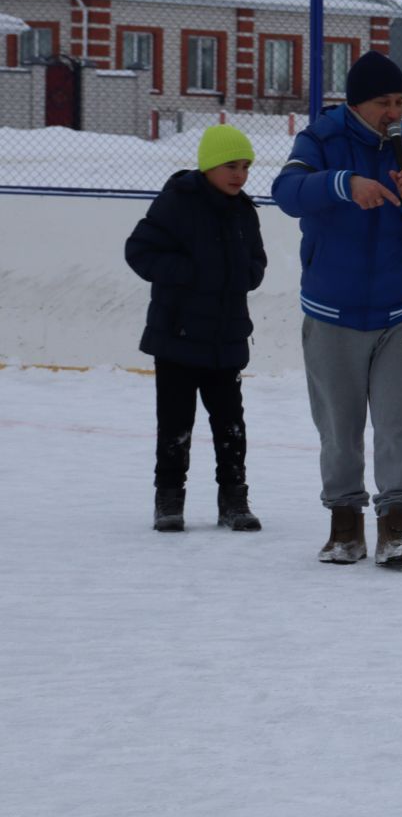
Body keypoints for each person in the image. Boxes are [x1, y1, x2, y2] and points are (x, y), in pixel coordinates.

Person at [272, 51, 402, 566]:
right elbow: (285, 191)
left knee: (399, 420)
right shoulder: (321, 140)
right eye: (383, 102)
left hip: (401, 313)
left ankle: (397, 526)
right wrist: (343, 185)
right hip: (332, 312)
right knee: (339, 425)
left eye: (400, 101)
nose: (394, 112)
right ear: (356, 103)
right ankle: (344, 526)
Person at [125, 124, 268, 533]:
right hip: (177, 338)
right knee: (175, 423)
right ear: (207, 166)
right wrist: (189, 272)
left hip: (226, 339)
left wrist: (245, 274)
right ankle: (169, 498)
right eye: (230, 166)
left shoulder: (244, 211)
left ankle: (234, 499)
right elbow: (139, 250)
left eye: (245, 167)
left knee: (231, 425)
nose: (239, 175)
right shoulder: (177, 204)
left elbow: (257, 262)